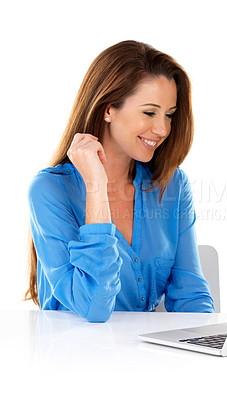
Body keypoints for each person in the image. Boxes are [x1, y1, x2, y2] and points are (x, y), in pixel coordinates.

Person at [25, 40, 215, 322]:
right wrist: (96, 187)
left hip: (144, 359)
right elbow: (94, 307)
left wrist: (211, 343)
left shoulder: (171, 185)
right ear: (108, 109)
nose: (163, 129)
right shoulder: (50, 190)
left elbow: (191, 296)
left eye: (169, 115)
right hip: (70, 360)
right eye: (149, 112)